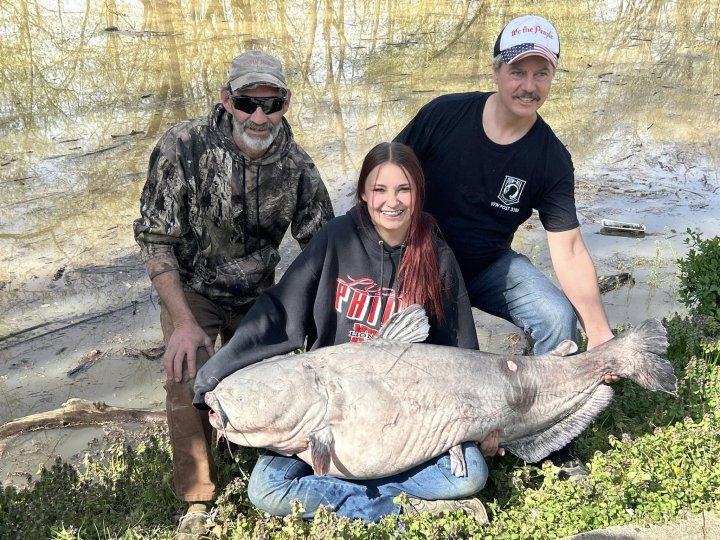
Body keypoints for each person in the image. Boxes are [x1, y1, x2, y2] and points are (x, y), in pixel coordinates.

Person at [193, 141, 501, 524]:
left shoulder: (437, 257)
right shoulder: (335, 239)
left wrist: (482, 421)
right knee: (266, 489)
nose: (392, 202)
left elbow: (461, 356)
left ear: (418, 194)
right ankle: (402, 503)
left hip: (408, 421)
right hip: (331, 415)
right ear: (363, 194)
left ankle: (353, 497)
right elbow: (279, 313)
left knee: (470, 475)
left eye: (404, 189)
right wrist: (211, 376)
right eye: (380, 190)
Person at [394, 15, 616, 480]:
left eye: (541, 73)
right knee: (432, 357)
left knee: (556, 315)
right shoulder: (443, 115)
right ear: (496, 71)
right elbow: (387, 180)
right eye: (518, 71)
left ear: (553, 76)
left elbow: (569, 248)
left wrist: (599, 333)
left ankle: (549, 439)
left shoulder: (551, 158)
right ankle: (425, 438)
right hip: (421, 263)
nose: (529, 85)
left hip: (488, 264)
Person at [132, 50, 334, 538]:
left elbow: (325, 244)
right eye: (247, 102)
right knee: (187, 375)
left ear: (286, 103)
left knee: (266, 382)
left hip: (258, 293)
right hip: (192, 287)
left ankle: (255, 461)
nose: (259, 116)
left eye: (272, 103)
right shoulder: (182, 147)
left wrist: (333, 320)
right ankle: (198, 499)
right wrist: (182, 322)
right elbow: (155, 240)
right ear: (227, 99)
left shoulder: (299, 166)